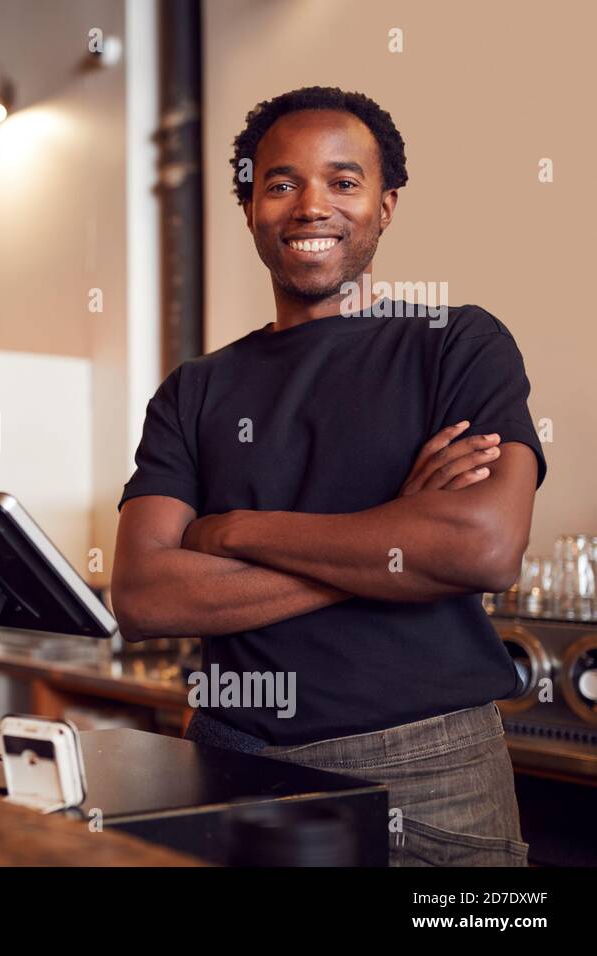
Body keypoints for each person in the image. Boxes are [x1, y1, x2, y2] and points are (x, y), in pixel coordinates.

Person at [111, 86, 545, 866]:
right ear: (249, 209)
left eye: (344, 182)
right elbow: (145, 594)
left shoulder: (459, 344)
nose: (312, 206)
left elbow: (482, 547)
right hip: (226, 758)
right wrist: (397, 539)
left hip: (430, 772)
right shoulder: (194, 389)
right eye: (281, 184)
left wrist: (235, 532)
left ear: (386, 205)